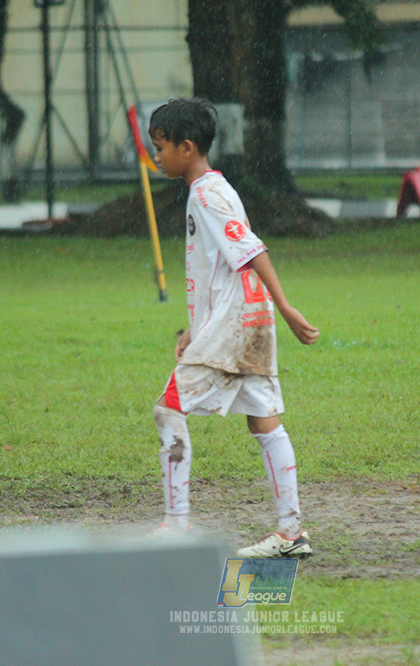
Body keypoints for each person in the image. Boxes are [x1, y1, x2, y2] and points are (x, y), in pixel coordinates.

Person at [147, 98, 319, 558]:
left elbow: (250, 250)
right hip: (245, 319)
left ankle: (177, 526)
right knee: (263, 420)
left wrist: (286, 306)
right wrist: (192, 328)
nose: (155, 156)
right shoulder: (211, 188)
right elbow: (217, 268)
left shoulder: (206, 194)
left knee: (169, 408)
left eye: (160, 147)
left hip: (237, 324)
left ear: (187, 147)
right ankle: (291, 532)